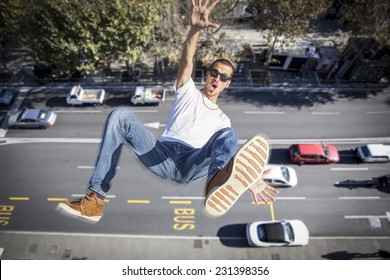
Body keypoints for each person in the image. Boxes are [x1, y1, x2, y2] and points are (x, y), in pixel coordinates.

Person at [57, 0, 279, 222]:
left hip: (191, 162)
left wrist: (251, 179)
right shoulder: (188, 91)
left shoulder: (223, 120)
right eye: (214, 73)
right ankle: (95, 200)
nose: (216, 79)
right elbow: (186, 62)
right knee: (121, 116)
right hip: (163, 155)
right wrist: (195, 30)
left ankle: (217, 184)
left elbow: (226, 153)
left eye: (223, 77)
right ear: (208, 73)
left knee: (229, 135)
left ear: (227, 83)